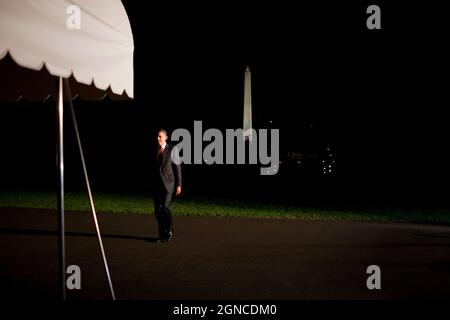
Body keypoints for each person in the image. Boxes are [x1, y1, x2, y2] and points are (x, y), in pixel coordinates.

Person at [153, 129, 182, 242]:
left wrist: (179, 184)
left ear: (166, 137)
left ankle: (169, 229)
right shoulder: (155, 150)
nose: (158, 139)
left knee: (165, 207)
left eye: (160, 136)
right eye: (157, 136)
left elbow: (178, 167)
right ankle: (161, 235)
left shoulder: (172, 149)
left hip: (168, 184)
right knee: (157, 211)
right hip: (157, 185)